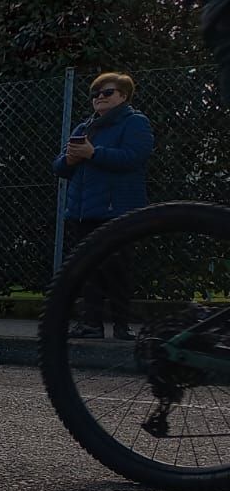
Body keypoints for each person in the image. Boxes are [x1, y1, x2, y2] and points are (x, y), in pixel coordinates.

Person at [52, 71, 154, 340]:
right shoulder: (83, 128)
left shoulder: (135, 123)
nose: (99, 98)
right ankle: (91, 324)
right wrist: (71, 160)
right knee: (87, 269)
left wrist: (93, 153)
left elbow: (134, 157)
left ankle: (122, 326)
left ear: (123, 96)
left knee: (118, 268)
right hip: (83, 210)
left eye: (107, 93)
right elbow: (60, 166)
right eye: (96, 94)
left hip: (117, 209)